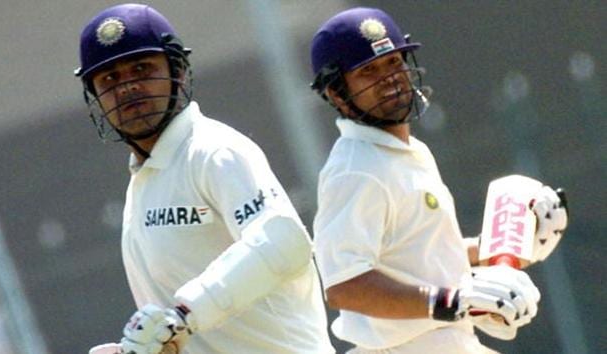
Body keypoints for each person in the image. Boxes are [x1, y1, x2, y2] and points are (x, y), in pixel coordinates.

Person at [75, 4, 334, 354]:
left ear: (178, 72)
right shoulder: (145, 179)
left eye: (141, 68)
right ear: (96, 98)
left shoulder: (213, 151)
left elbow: (284, 240)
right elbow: (178, 332)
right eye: (109, 79)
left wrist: (182, 316)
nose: (126, 88)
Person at [309, 7, 568, 354]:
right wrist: (452, 301)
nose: (389, 78)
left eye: (393, 62)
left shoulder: (406, 151)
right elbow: (345, 285)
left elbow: (420, 256)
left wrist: (500, 246)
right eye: (368, 71)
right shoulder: (355, 169)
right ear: (338, 94)